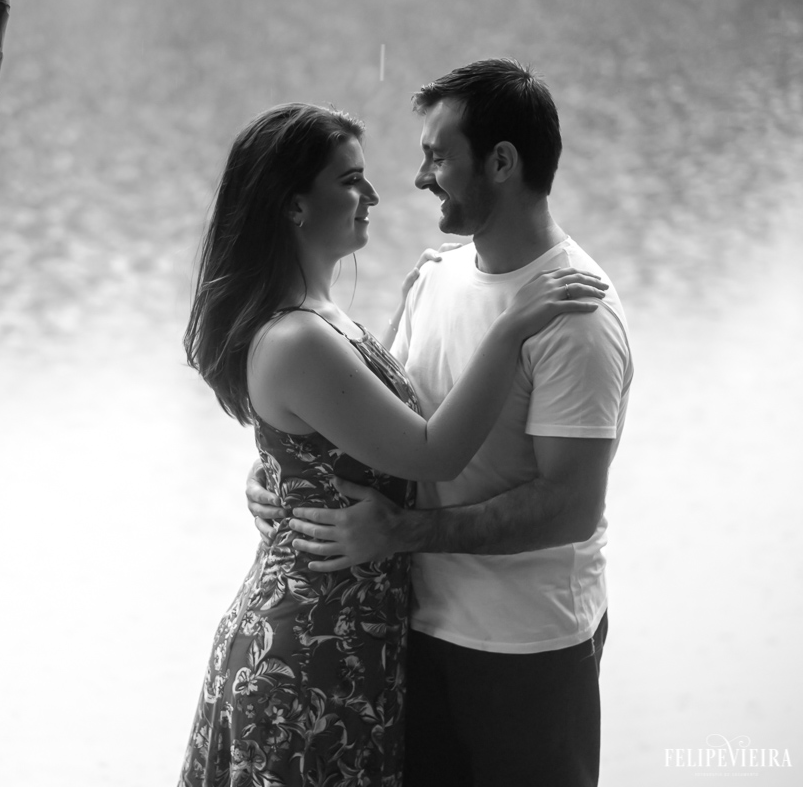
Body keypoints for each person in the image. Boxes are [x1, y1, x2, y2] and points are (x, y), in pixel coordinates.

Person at [178, 101, 607, 787]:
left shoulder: (323, 318)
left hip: (354, 642)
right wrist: (510, 330)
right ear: (293, 205)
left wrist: (275, 475)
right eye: (351, 180)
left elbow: (327, 436)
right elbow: (434, 453)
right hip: (308, 657)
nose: (375, 193)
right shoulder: (298, 335)